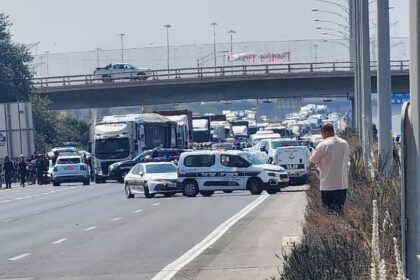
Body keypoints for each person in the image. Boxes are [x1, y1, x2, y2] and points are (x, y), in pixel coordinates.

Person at [310, 123, 349, 214]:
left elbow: (312, 163)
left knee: (329, 212)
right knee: (340, 211)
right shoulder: (344, 143)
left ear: (324, 132)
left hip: (327, 185)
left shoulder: (323, 145)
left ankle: (331, 227)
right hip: (342, 184)